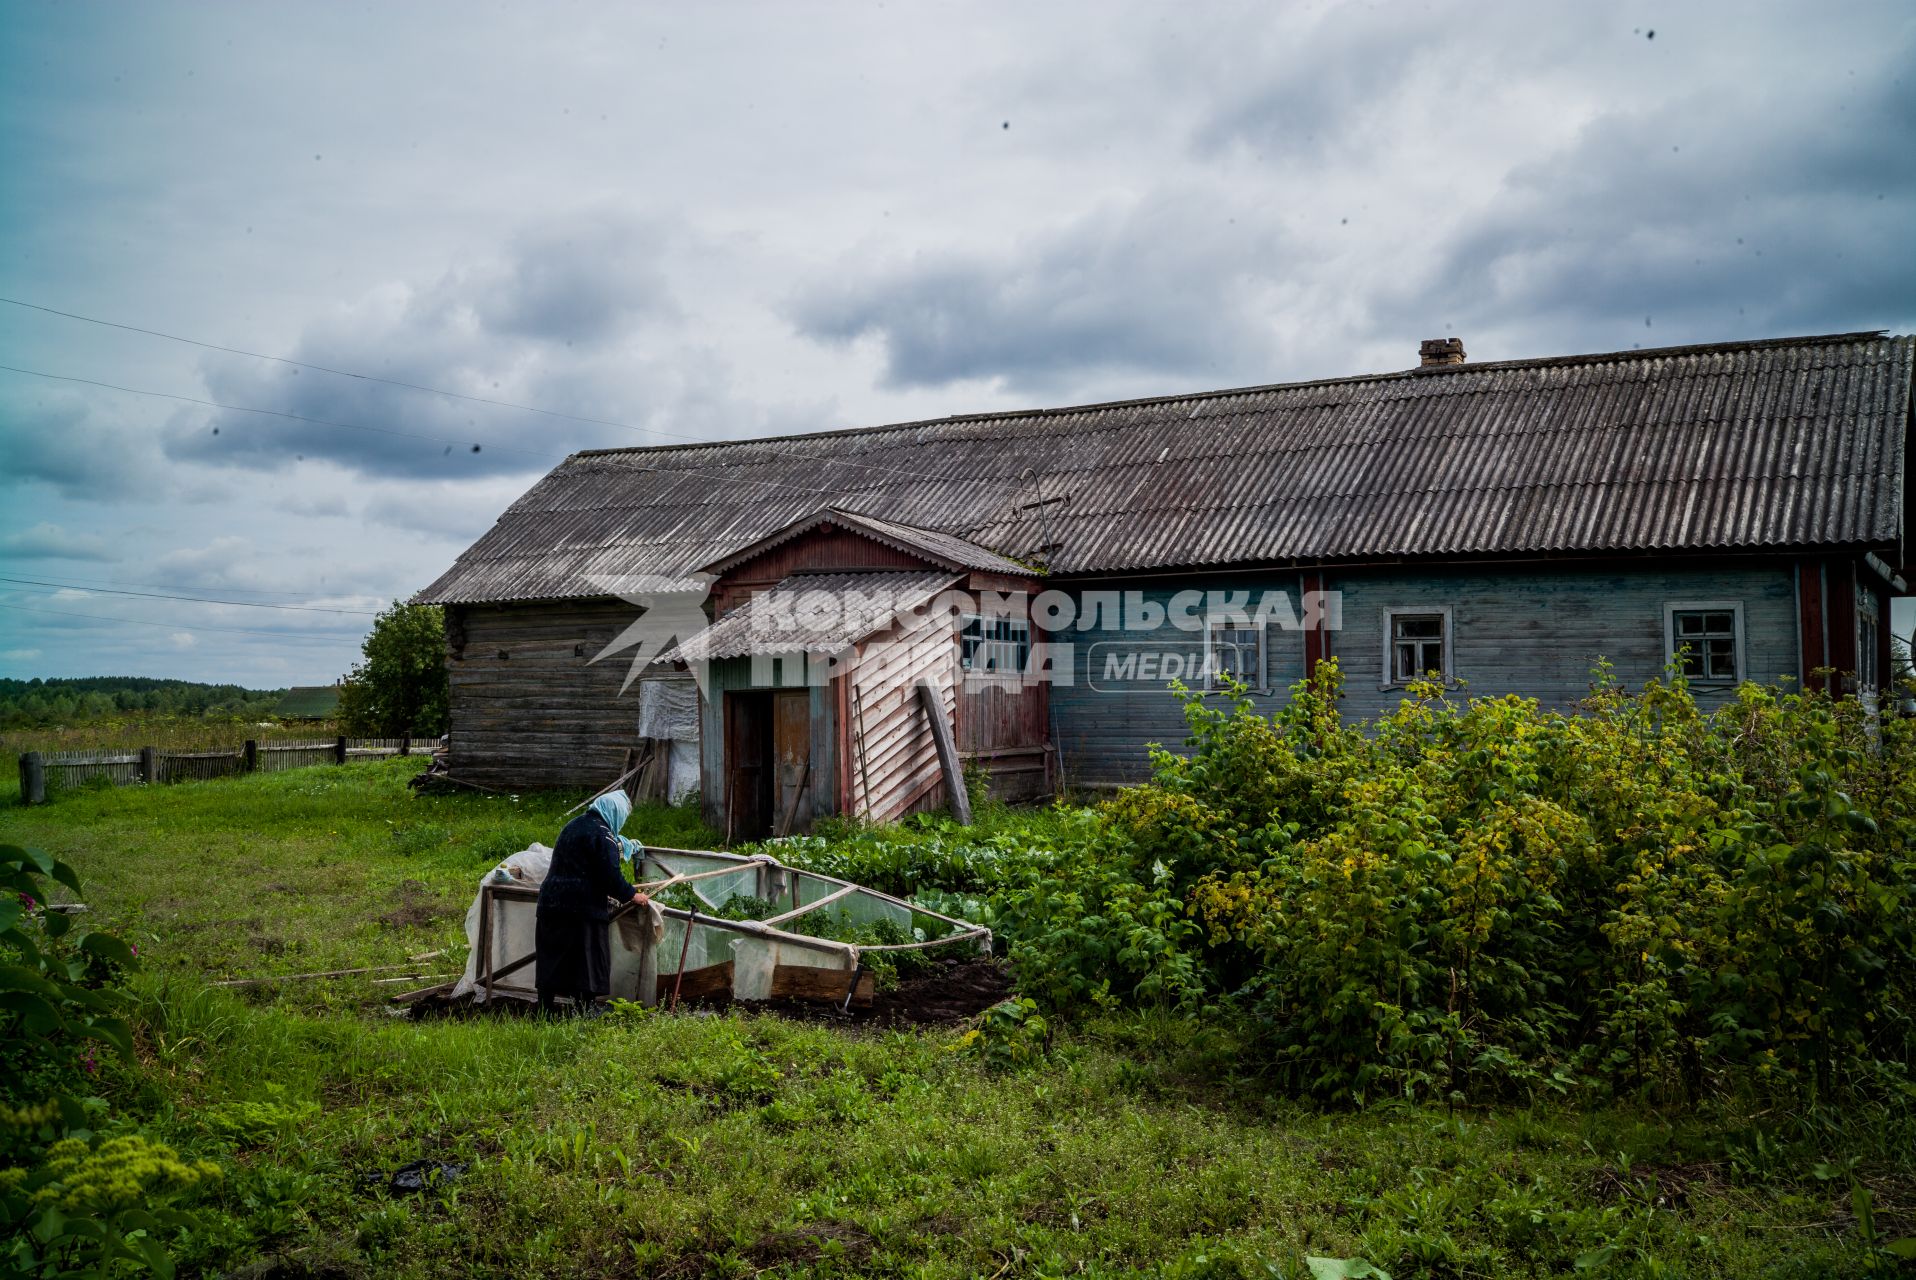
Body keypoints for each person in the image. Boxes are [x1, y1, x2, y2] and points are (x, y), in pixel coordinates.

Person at [534, 791, 649, 1015]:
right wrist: (633, 895)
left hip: (550, 902)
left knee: (552, 959)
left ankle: (545, 1010)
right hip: (580, 907)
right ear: (615, 814)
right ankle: (585, 1009)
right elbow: (610, 875)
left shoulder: (573, 825)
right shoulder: (603, 835)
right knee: (586, 960)